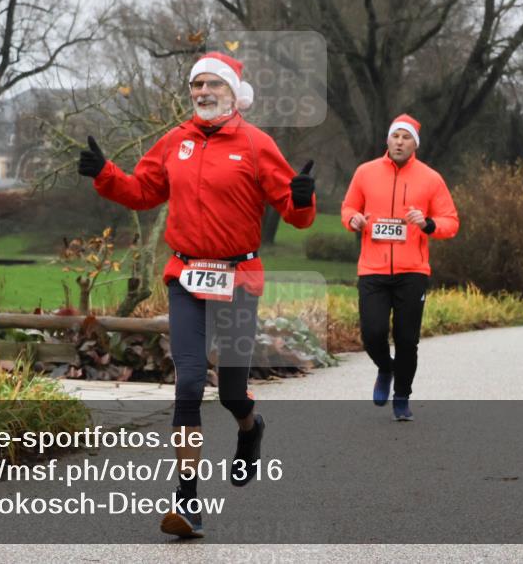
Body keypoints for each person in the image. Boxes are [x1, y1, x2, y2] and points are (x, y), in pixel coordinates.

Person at [78, 52, 316, 538]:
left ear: (233, 93)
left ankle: (250, 428)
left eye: (213, 84)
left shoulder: (256, 144)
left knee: (231, 392)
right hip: (186, 276)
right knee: (187, 384)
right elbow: (141, 192)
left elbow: (296, 215)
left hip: (238, 279)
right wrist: (105, 172)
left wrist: (303, 196)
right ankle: (187, 501)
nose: (203, 92)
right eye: (196, 85)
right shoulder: (175, 141)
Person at [341, 114, 459, 422]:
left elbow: (450, 221)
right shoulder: (365, 172)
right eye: (395, 136)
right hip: (373, 269)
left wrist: (428, 223)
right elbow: (348, 207)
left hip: (412, 271)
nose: (399, 142)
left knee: (407, 339)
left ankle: (402, 396)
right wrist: (353, 219)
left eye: (406, 138)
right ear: (388, 140)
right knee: (372, 333)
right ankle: (385, 368)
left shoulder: (431, 179)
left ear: (414, 144)